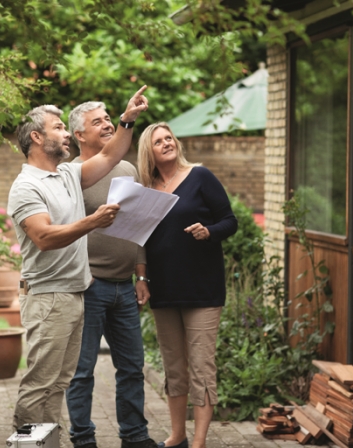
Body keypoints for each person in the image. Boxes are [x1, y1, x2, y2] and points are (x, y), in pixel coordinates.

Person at [7, 86, 148, 429]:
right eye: (59, 127)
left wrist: (126, 120)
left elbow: (111, 156)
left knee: (58, 386)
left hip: (73, 293)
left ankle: (49, 442)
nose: (66, 132)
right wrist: (92, 222)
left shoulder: (67, 175)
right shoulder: (27, 186)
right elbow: (42, 237)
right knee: (39, 385)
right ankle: (26, 441)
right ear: (37, 137)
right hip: (48, 296)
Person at [136, 123, 238, 448]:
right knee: (173, 366)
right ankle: (178, 434)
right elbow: (139, 238)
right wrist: (141, 278)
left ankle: (199, 441)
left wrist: (209, 231)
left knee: (201, 367)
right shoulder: (146, 188)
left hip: (203, 288)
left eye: (169, 138)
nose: (167, 143)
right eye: (158, 141)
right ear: (148, 152)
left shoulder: (200, 176)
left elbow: (229, 220)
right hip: (164, 289)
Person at [65, 102, 156, 448]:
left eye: (108, 119)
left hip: (125, 287)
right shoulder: (70, 175)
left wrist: (142, 275)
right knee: (82, 371)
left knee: (132, 368)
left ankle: (134, 436)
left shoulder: (127, 169)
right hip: (89, 286)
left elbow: (140, 225)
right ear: (79, 135)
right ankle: (83, 437)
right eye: (97, 122)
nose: (106, 125)